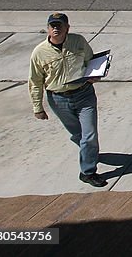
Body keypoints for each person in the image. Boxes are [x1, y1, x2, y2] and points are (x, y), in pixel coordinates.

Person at [28, 12, 107, 187]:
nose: (56, 28)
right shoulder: (39, 53)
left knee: (90, 134)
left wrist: (94, 75)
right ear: (48, 29)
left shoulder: (78, 41)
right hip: (58, 100)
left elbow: (90, 61)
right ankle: (90, 151)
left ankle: (87, 172)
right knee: (78, 135)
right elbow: (35, 81)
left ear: (67, 28)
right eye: (53, 26)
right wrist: (37, 107)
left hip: (84, 94)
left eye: (60, 25)